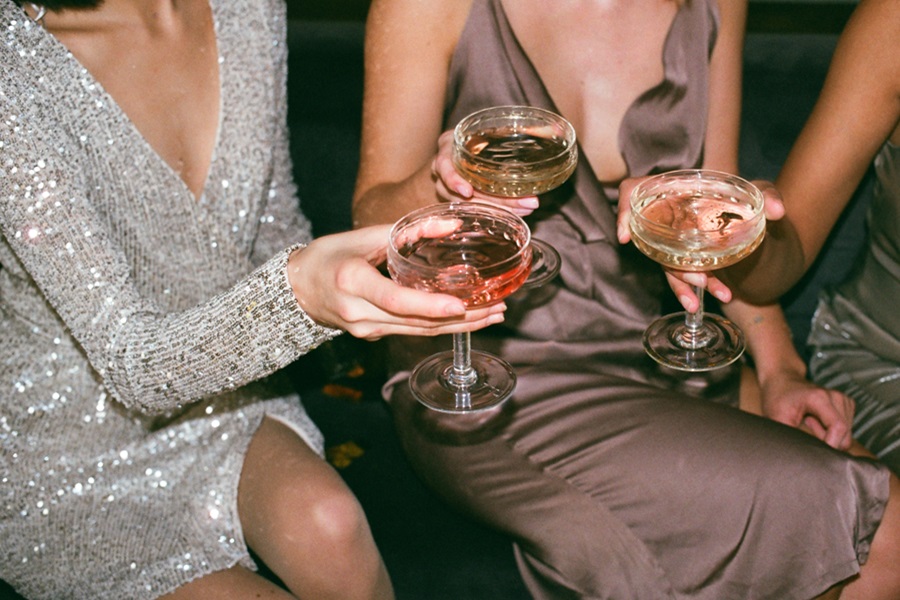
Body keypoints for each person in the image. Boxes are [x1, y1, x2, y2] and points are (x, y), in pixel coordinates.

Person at [352, 0, 900, 598]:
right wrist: (436, 186)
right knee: (871, 526)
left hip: (660, 347)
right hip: (486, 369)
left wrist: (778, 366)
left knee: (881, 505)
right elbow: (367, 223)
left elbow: (710, 217)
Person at [0, 1, 509, 599]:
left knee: (332, 524)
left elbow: (271, 218)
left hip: (224, 393)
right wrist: (301, 298)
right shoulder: (14, 72)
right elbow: (131, 361)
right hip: (63, 443)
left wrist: (433, 190)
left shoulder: (246, 6)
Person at [633, 0, 900, 476]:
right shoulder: (892, 27)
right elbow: (780, 261)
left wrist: (780, 370)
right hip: (886, 366)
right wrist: (748, 232)